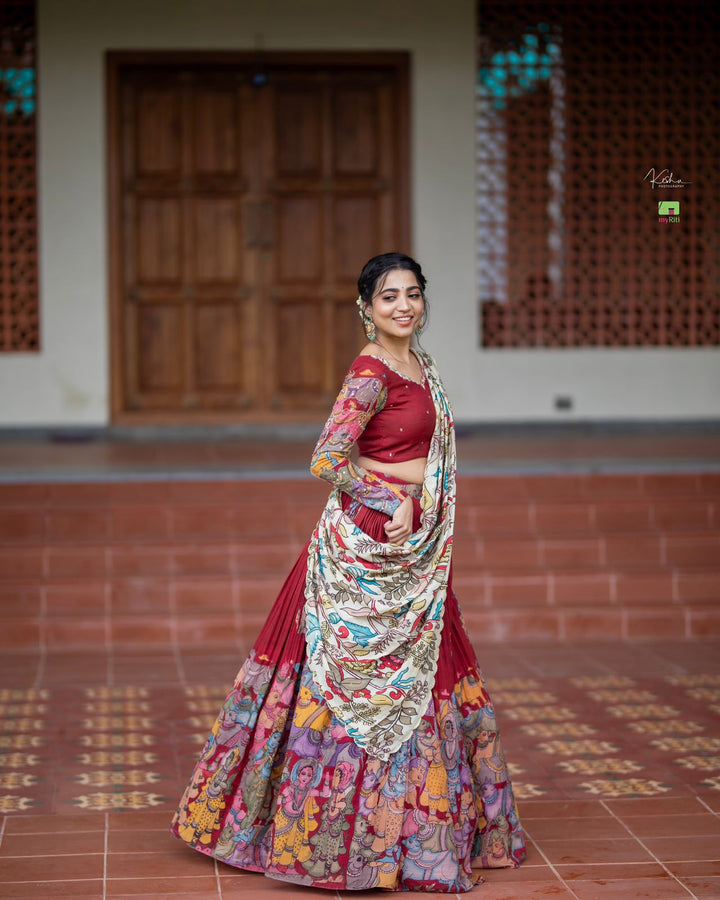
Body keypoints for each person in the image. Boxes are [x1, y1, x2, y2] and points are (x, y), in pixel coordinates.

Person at [171, 252, 527, 892]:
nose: (403, 306)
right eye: (388, 296)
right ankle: (338, 838)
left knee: (422, 674)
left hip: (414, 550)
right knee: (350, 683)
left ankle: (417, 839)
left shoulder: (421, 366)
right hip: (367, 545)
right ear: (367, 307)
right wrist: (393, 502)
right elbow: (328, 459)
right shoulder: (369, 373)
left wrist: (419, 509)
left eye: (412, 294)